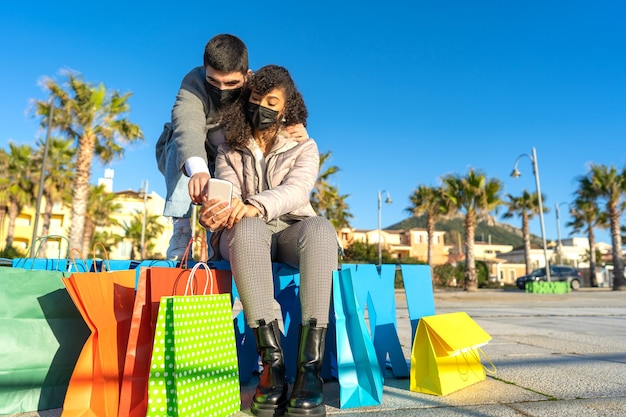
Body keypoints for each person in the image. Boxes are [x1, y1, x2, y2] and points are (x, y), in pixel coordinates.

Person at [199, 65, 338, 417]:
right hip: (246, 232)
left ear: (286, 107)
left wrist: (254, 204)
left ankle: (310, 371)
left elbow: (296, 191)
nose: (261, 105)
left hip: (291, 228)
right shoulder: (230, 148)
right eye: (256, 98)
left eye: (271, 101)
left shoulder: (304, 146)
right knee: (246, 230)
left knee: (321, 228)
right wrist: (217, 212)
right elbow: (226, 193)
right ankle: (272, 371)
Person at [156, 34, 308, 259]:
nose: (222, 89)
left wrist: (294, 125)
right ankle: (181, 229)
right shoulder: (194, 80)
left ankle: (215, 245)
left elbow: (277, 105)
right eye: (214, 81)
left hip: (229, 157)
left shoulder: (256, 86)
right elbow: (186, 120)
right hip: (196, 153)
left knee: (220, 205)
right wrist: (197, 169)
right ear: (204, 69)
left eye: (231, 83)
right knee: (179, 143)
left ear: (246, 76)